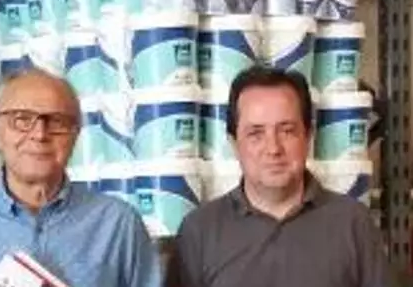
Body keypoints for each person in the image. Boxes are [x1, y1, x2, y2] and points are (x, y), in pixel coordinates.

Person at [0, 69, 162, 287]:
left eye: (57, 121)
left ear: (76, 135)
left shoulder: (118, 224)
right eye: (22, 119)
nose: (39, 134)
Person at [167, 66, 390, 287]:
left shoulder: (353, 224)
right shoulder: (199, 231)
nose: (273, 148)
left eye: (287, 131)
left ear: (308, 137)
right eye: (256, 133)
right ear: (234, 144)